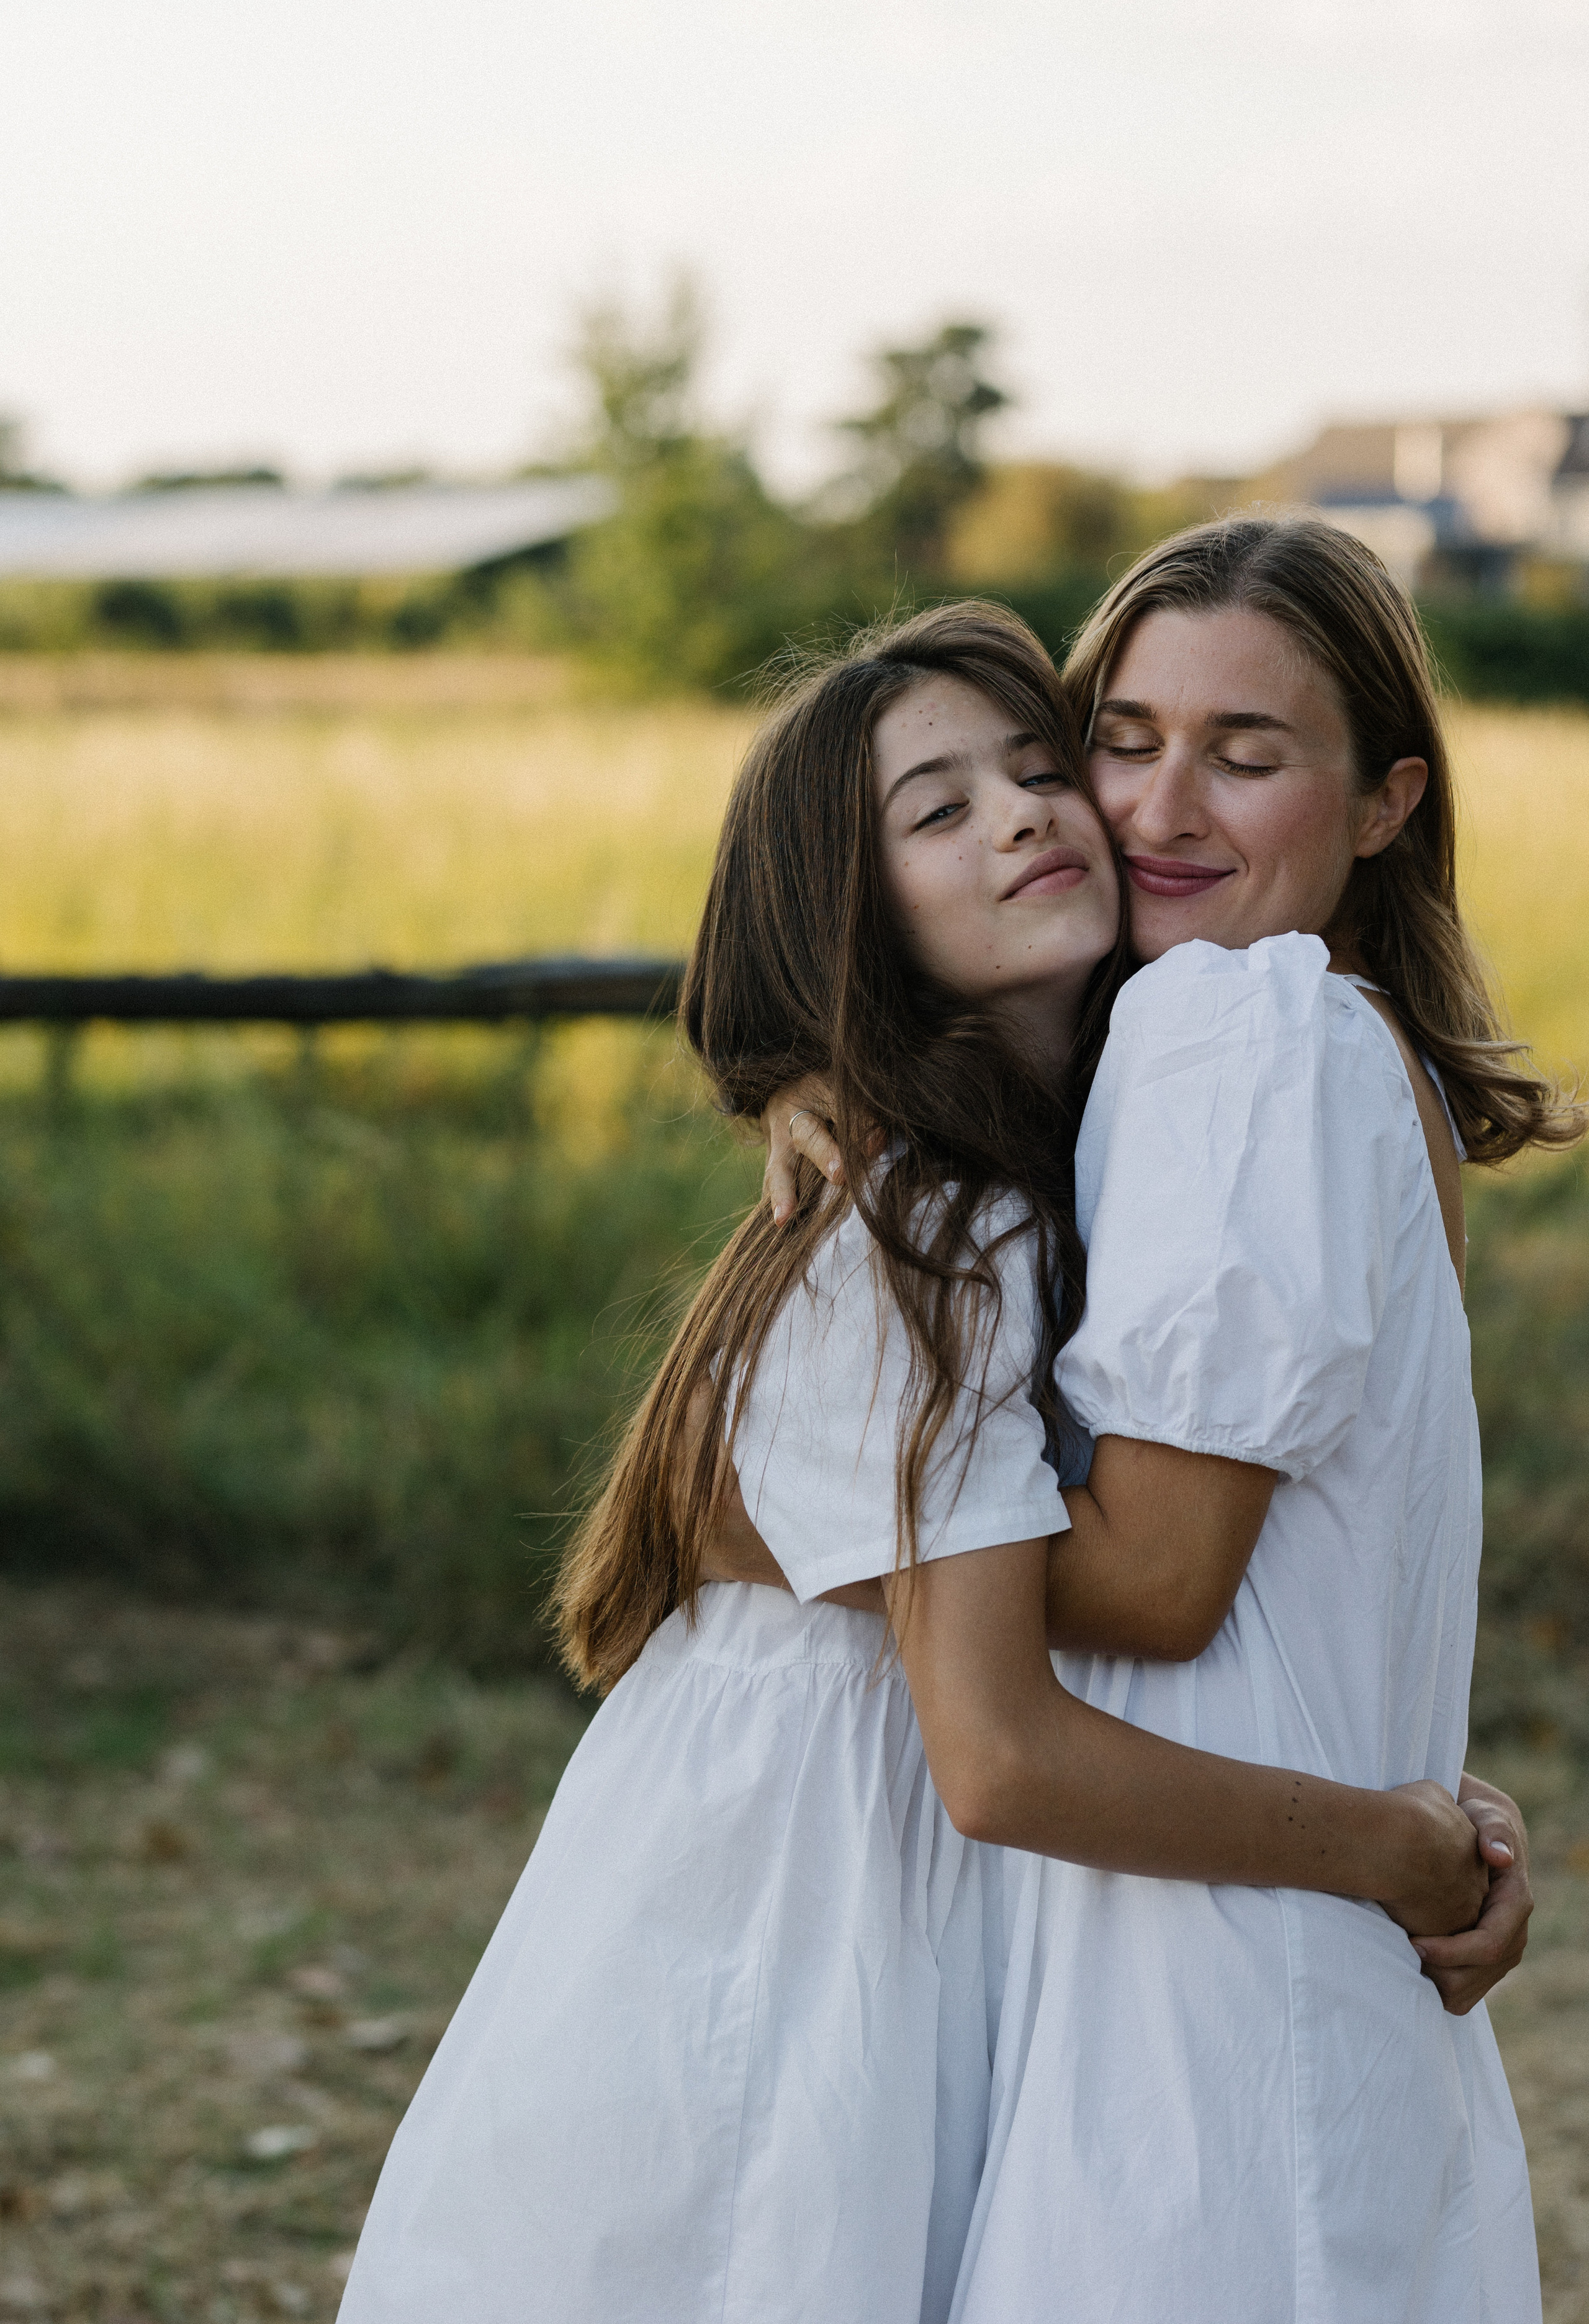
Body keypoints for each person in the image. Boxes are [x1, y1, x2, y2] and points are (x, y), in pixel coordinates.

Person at [336, 601, 1488, 2324]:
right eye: (940, 811)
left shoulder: (1063, 1170)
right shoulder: (930, 1225)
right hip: (788, 1915)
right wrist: (1385, 1843)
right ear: (853, 913)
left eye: (1038, 769)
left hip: (918, 1906)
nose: (1029, 816)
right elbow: (1010, 1744)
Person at [752, 518, 1580, 2322]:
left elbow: (1164, 1580)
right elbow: (1326, 1577)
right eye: (1121, 742)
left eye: (1248, 756)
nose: (1159, 808)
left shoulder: (1236, 1029)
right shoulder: (1343, 1050)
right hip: (1263, 1927)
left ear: (1387, 804)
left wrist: (777, 1519)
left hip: (1200, 1998)